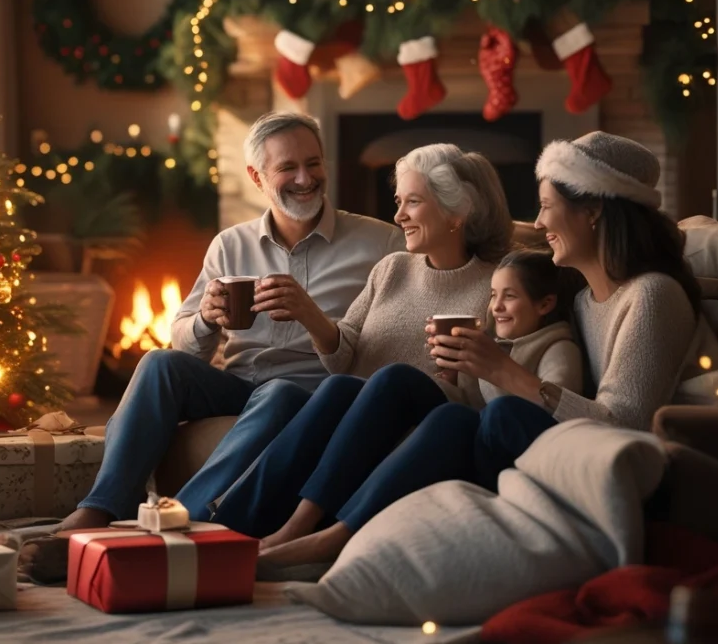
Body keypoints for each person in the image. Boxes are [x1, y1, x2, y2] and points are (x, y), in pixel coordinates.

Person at [260, 130, 717, 570]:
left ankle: (329, 540)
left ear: (593, 211)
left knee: (499, 415)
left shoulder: (652, 294)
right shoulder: (580, 298)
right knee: (430, 403)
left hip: (617, 472)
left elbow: (625, 426)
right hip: (556, 448)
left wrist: (503, 370)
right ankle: (316, 530)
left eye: (546, 208)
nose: (538, 224)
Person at [18, 110, 402, 581]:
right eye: (288, 168)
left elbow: (382, 350)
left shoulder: (380, 244)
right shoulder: (230, 245)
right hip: (239, 385)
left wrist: (312, 317)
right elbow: (184, 345)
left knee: (280, 393)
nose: (305, 179)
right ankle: (99, 510)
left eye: (313, 163)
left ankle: (174, 523)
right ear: (257, 178)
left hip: (313, 394)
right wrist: (205, 318)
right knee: (160, 363)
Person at [174, 142, 513, 535]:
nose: (398, 215)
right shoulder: (392, 268)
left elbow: (497, 387)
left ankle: (290, 529)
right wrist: (308, 313)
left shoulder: (498, 286)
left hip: (431, 420)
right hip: (358, 413)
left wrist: (466, 366)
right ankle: (218, 524)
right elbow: (342, 356)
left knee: (382, 381)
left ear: (458, 211)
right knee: (336, 387)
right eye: (399, 201)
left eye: (413, 202)